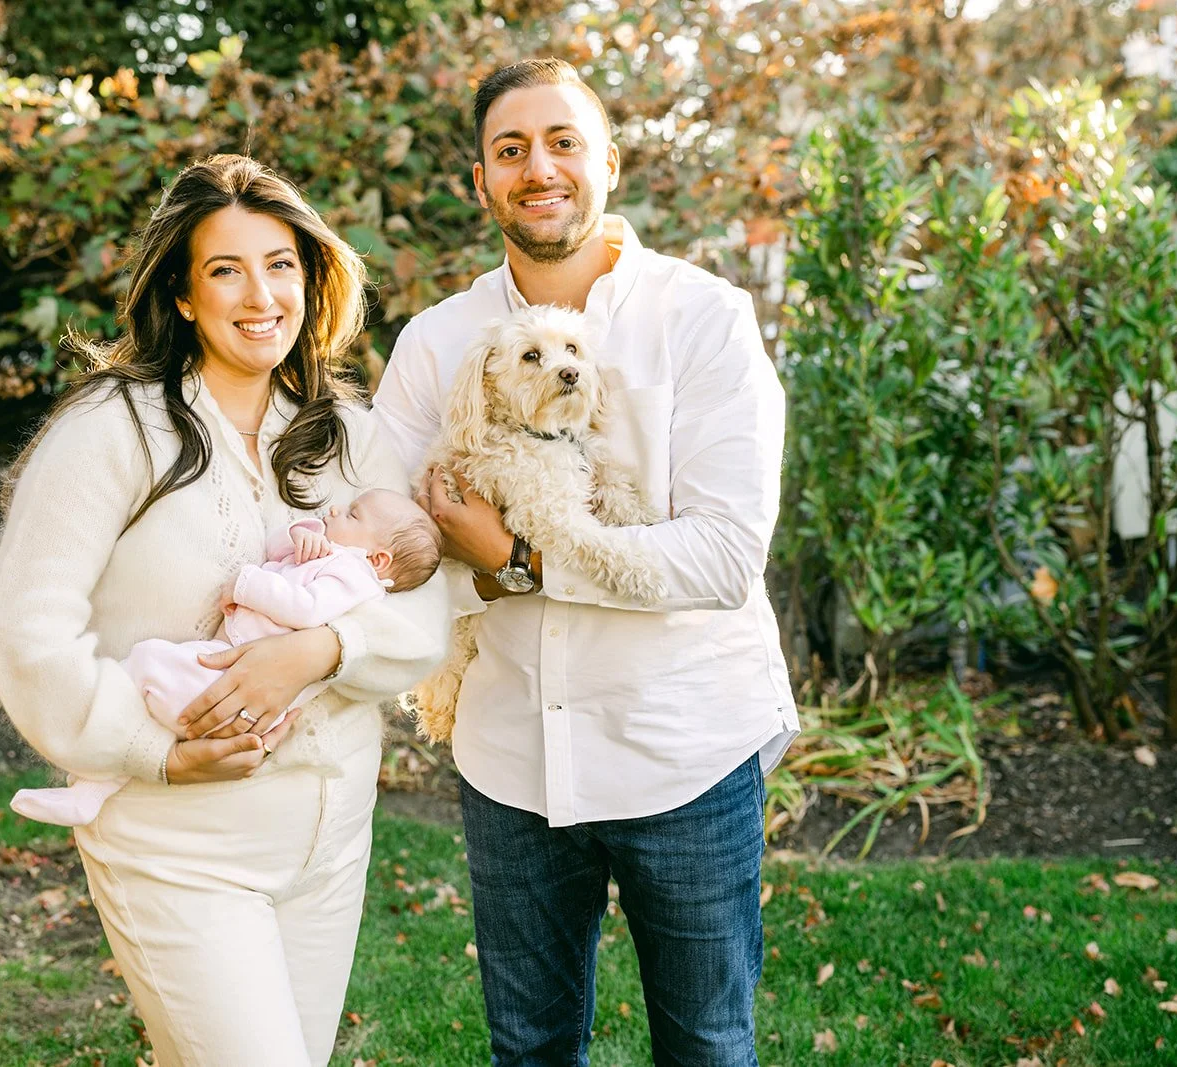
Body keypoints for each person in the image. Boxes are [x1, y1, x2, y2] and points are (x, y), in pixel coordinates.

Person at [0, 154, 448, 1067]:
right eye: (225, 269)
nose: (259, 293)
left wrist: (319, 649)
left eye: (281, 264)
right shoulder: (111, 429)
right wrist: (151, 747)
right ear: (184, 297)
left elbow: (422, 611)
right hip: (176, 846)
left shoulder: (347, 433)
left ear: (310, 281)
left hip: (331, 841)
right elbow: (22, 634)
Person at [372, 59, 799, 1066]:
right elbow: (385, 518)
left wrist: (515, 558)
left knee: (706, 1047)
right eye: (510, 149)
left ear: (607, 159)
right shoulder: (438, 345)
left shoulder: (703, 318)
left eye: (563, 141)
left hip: (684, 749)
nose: (539, 167)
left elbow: (724, 553)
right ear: (482, 180)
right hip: (510, 756)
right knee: (527, 1049)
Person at [8, 489, 442, 827]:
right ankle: (92, 790)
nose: (334, 512)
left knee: (146, 663)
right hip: (228, 666)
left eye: (352, 515)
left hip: (237, 684)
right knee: (150, 701)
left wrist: (245, 585)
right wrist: (300, 534)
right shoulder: (333, 554)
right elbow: (277, 551)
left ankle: (88, 756)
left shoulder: (354, 577)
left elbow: (304, 608)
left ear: (379, 558)